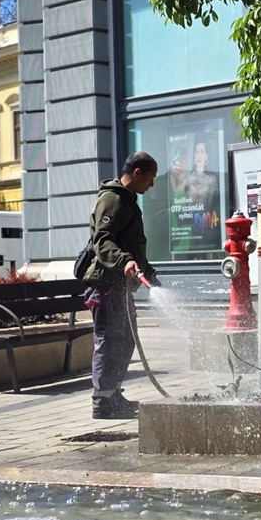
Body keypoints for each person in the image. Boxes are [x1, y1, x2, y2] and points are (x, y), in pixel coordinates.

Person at [81, 152, 160, 419]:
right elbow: (102, 240)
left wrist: (147, 271)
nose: (151, 185)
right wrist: (124, 261)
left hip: (120, 285)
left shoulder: (127, 201)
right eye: (150, 179)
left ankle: (113, 394)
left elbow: (130, 242)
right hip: (105, 285)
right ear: (137, 173)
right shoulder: (112, 199)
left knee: (125, 340)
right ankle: (102, 402)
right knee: (109, 340)